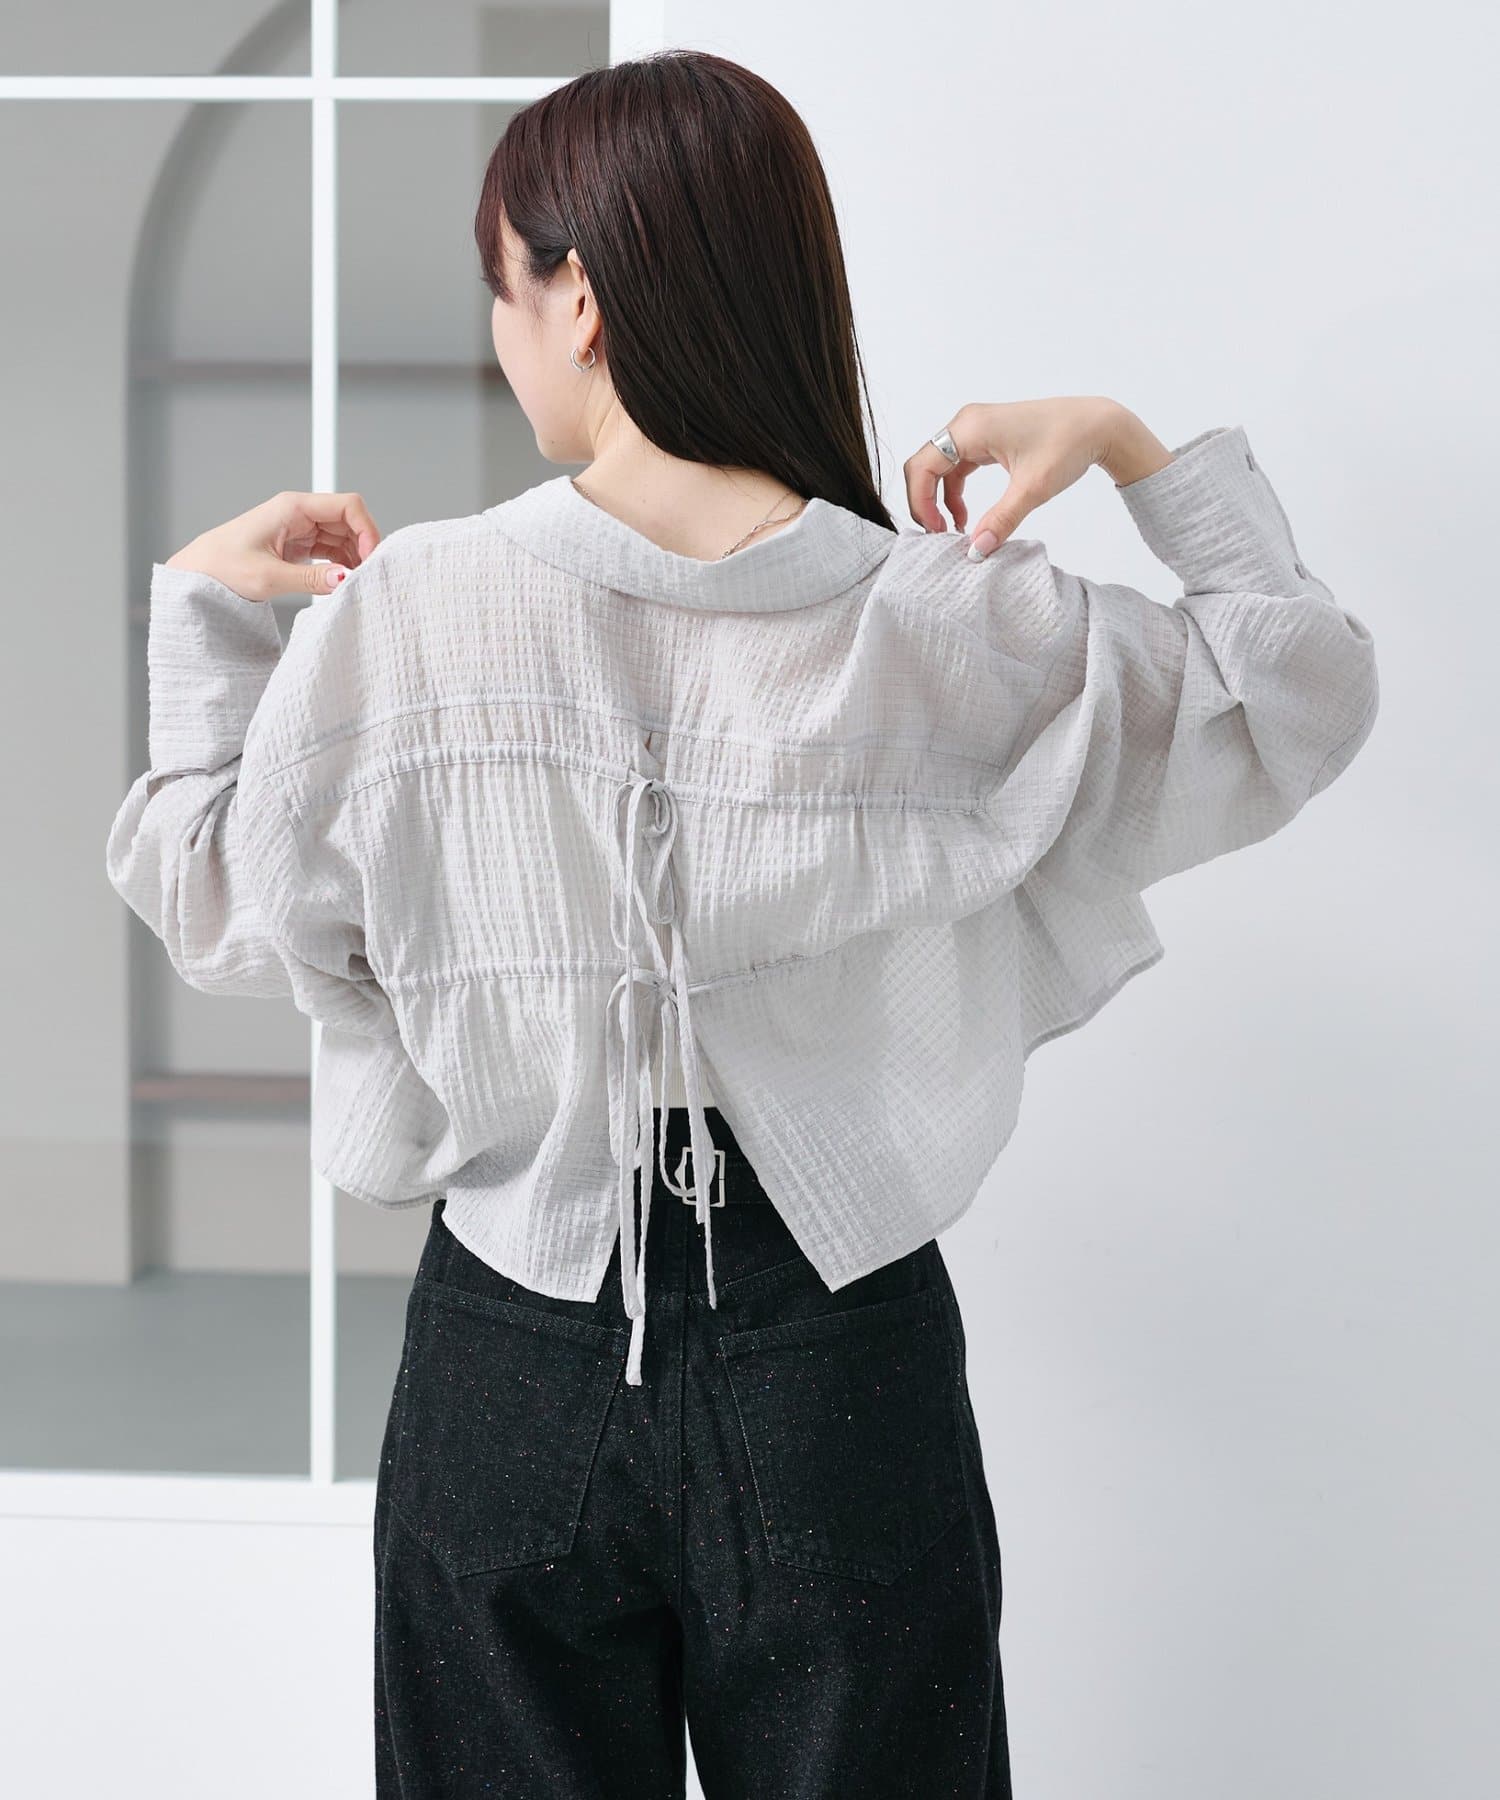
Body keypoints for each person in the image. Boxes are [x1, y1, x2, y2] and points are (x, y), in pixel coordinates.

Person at [103, 46, 1379, 1800]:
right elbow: (1296, 693)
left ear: (580, 298)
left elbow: (209, 891)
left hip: (513, 1349)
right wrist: (1128, 447)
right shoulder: (948, 618)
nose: (501, 330)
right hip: (835, 1356)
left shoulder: (409, 617)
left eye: (503, 287)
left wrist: (202, 617)